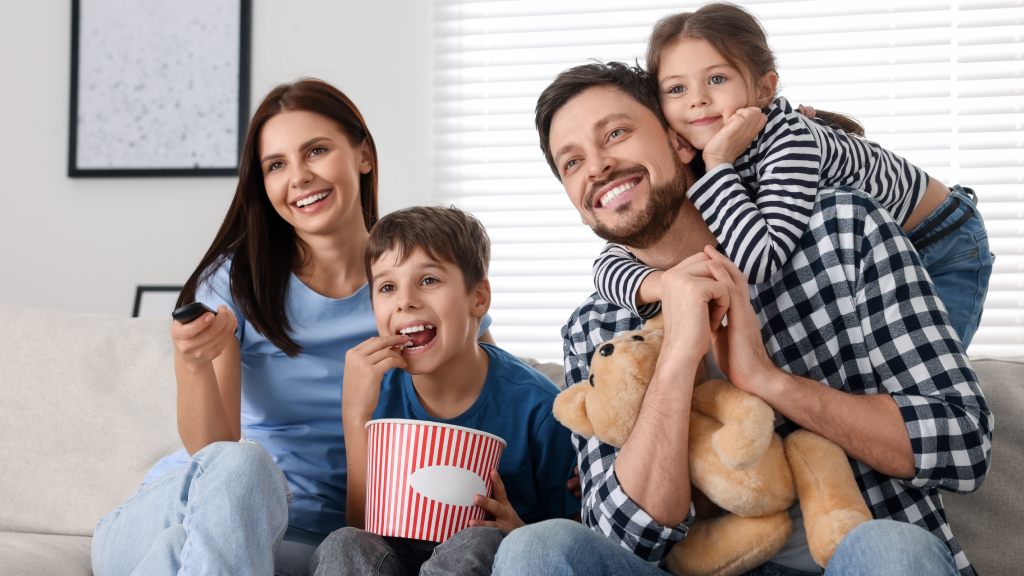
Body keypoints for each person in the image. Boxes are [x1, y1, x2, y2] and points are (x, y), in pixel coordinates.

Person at [491, 61, 992, 576]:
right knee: (535, 550)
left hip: (853, 559)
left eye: (615, 133)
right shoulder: (596, 327)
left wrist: (766, 379)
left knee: (895, 550)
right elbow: (620, 539)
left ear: (679, 141)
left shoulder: (840, 231)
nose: (596, 167)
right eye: (571, 163)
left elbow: (962, 442)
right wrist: (679, 360)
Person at [91, 78, 491, 576]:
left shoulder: (421, 284)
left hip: (306, 540)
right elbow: (214, 448)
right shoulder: (239, 282)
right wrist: (192, 362)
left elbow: (496, 399)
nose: (298, 177)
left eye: (316, 151)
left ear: (362, 154)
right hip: (183, 504)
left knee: (183, 554)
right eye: (276, 165)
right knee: (244, 465)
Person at [591, 2, 993, 348]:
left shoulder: (787, 142)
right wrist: (660, 285)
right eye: (676, 89)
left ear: (764, 89)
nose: (697, 99)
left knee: (918, 377)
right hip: (869, 259)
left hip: (940, 243)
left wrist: (717, 164)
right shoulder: (689, 158)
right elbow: (610, 263)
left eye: (717, 79)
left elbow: (761, 261)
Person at [309, 206, 580, 575]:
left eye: (429, 280)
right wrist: (356, 417)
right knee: (341, 542)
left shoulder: (539, 407)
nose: (405, 300)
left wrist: (519, 533)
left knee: (480, 540)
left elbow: (571, 539)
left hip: (487, 560)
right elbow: (362, 526)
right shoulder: (374, 391)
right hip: (391, 559)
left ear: (478, 298)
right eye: (387, 287)